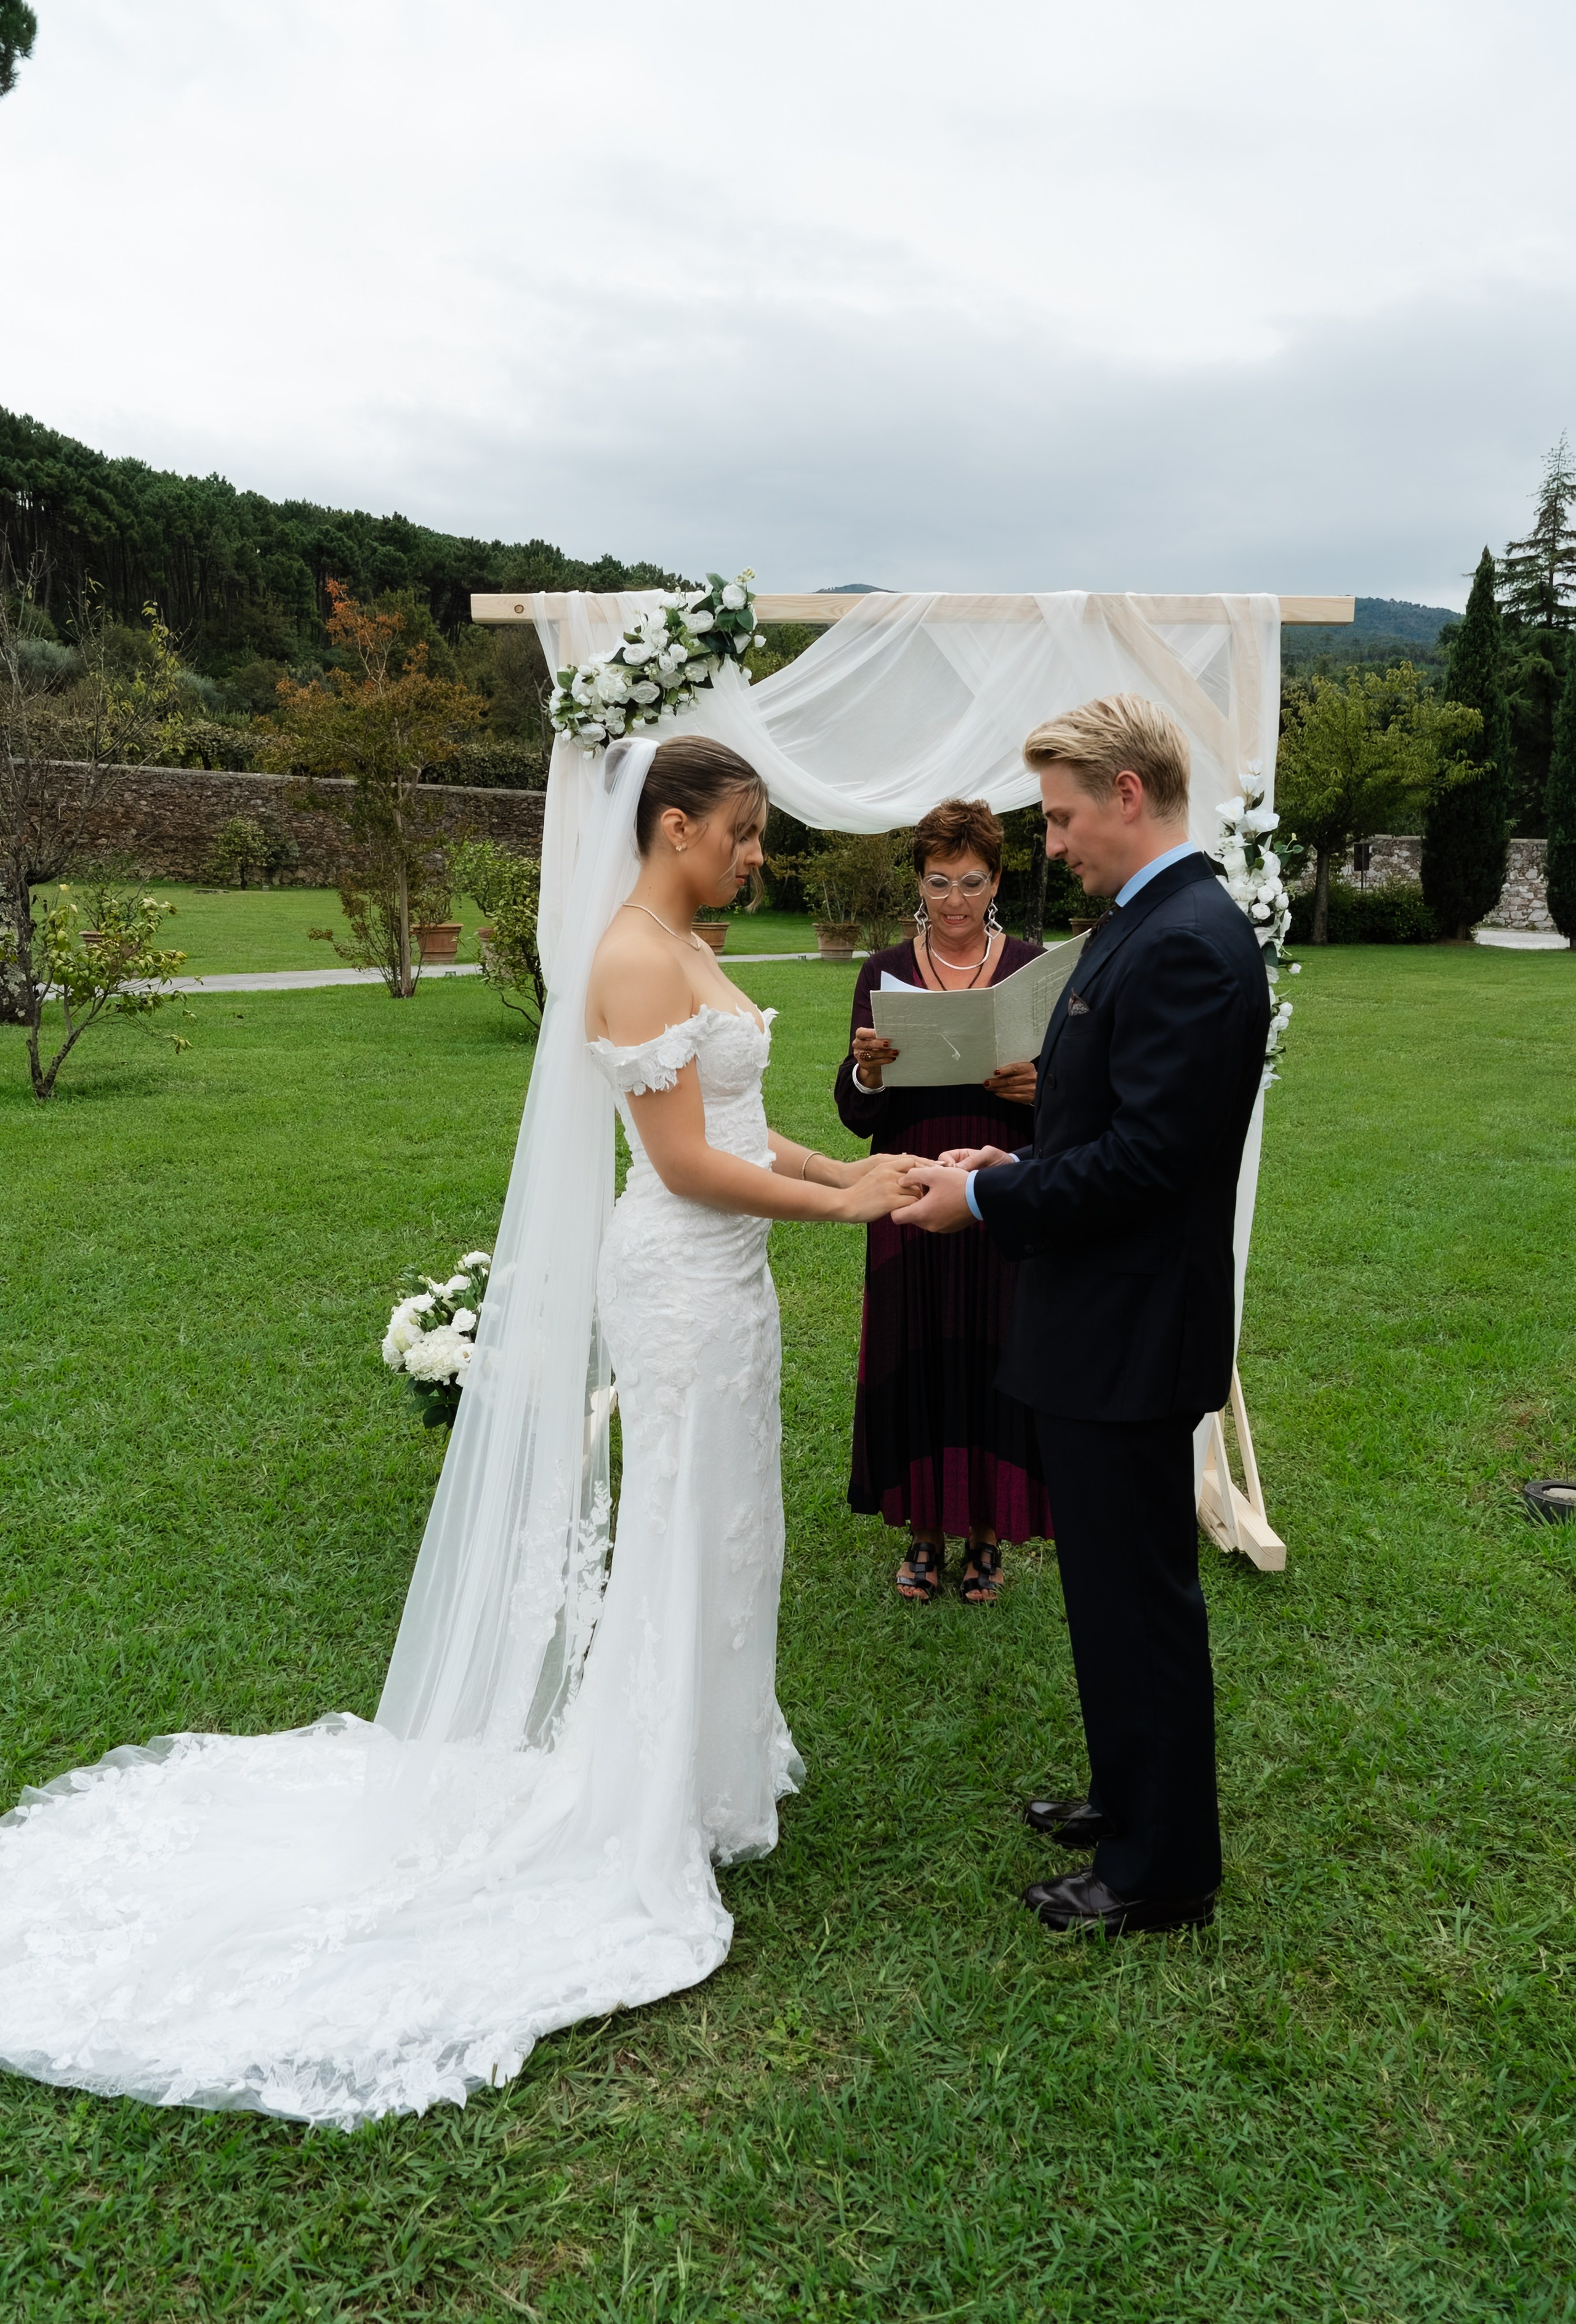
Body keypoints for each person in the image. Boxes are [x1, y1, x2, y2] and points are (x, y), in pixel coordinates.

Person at [0, 734, 916, 2126]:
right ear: (671, 826)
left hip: (727, 1280)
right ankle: (644, 1788)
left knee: (728, 1511)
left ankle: (713, 1759)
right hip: (678, 1272)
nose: (754, 858)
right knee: (679, 1513)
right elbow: (677, 1162)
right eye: (740, 835)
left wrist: (848, 1164)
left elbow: (738, 1119)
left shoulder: (690, 941)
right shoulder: (629, 954)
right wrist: (844, 1209)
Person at [893, 695, 1270, 1937]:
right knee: (1105, 1597)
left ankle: (1161, 1871)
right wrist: (1015, 1138)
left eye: (1057, 817)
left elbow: (1148, 1162)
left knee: (1139, 1602)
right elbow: (1104, 1117)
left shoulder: (1186, 937)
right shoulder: (1145, 921)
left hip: (1129, 1328)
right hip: (1094, 1320)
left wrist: (986, 1197)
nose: (1046, 843)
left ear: (1124, 792)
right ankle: (1126, 1799)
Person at [834, 798, 1051, 1603]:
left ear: (995, 879)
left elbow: (1081, 1104)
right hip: (910, 1186)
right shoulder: (882, 971)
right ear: (918, 883)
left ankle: (988, 1535)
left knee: (998, 1353)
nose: (954, 899)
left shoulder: (1032, 966)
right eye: (937, 881)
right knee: (917, 1348)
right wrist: (871, 1070)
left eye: (970, 881)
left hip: (1003, 1186)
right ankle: (924, 1530)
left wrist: (1042, 1086)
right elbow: (857, 1109)